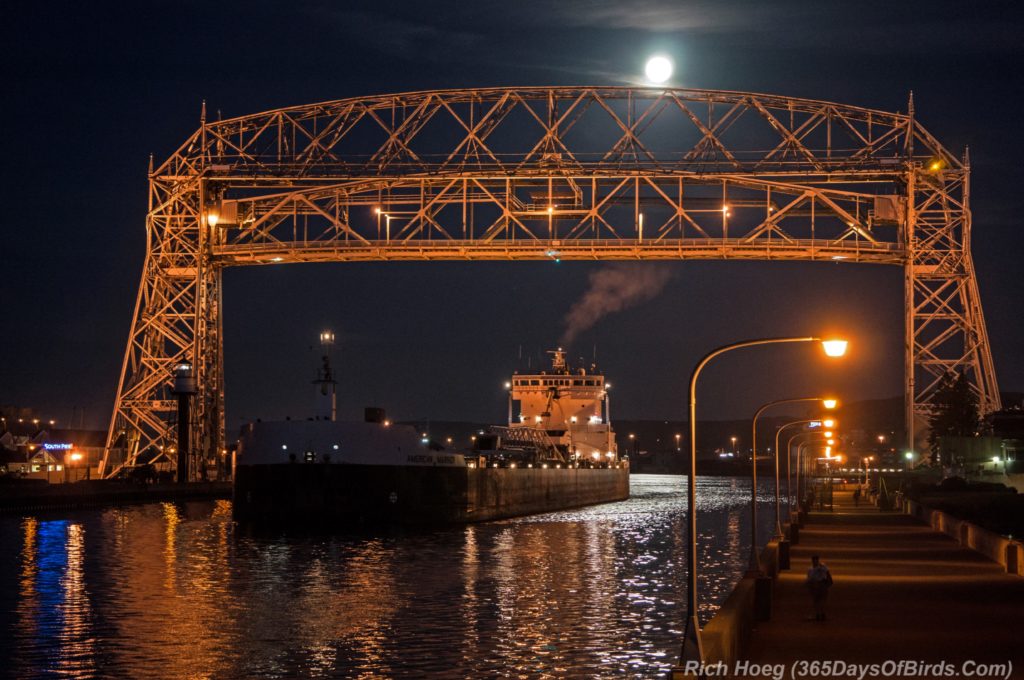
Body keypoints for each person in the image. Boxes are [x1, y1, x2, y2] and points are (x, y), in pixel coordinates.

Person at [805, 555, 833, 621]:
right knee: (820, 600)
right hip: (819, 585)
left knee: (818, 601)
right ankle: (820, 613)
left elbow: (809, 579)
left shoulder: (812, 569)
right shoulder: (822, 567)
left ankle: (819, 614)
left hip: (819, 585)